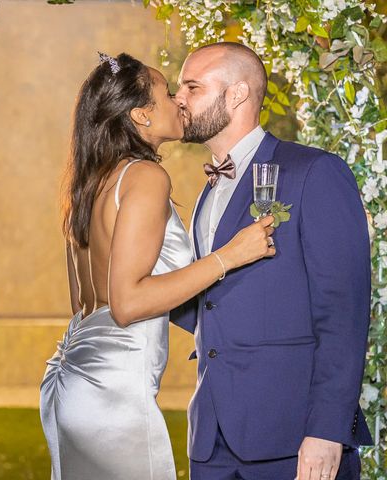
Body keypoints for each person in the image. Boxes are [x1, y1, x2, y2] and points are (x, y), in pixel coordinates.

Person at [39, 52, 276, 480]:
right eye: (168, 92)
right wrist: (232, 255)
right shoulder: (144, 177)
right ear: (141, 116)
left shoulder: (91, 182)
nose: (179, 100)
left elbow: (87, 301)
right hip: (113, 393)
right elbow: (128, 303)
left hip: (74, 377)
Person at [173, 41, 372, 480]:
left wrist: (326, 431)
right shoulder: (208, 190)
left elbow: (343, 314)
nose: (179, 100)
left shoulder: (314, 173)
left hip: (293, 437)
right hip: (211, 439)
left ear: (237, 94)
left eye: (192, 87)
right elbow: (211, 303)